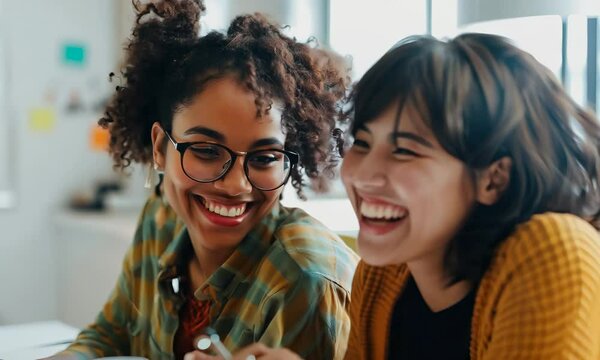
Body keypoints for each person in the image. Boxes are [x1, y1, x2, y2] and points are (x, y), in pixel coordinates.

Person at [194, 33, 600, 359]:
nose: (364, 173)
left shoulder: (552, 249)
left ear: (492, 179)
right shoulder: (385, 274)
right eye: (364, 142)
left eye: (405, 150)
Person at [51, 0, 358, 359]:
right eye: (207, 151)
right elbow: (112, 332)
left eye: (264, 158)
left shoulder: (304, 280)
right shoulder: (161, 217)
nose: (235, 186)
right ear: (160, 147)